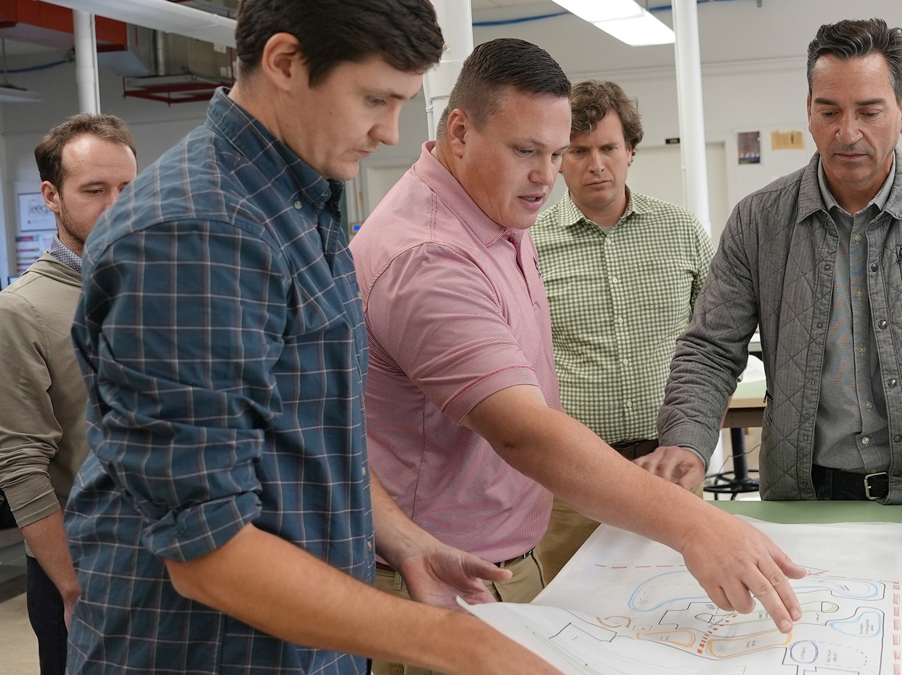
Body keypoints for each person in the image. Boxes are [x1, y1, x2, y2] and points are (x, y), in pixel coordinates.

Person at [62, 2, 559, 673]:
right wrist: (461, 643)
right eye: (375, 100)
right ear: (286, 63)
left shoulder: (300, 199)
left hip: (309, 642)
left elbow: (311, 435)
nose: (390, 132)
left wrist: (406, 541)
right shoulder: (196, 232)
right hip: (205, 650)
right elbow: (207, 552)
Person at [351, 38, 804, 675]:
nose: (547, 174)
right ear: (459, 131)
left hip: (506, 550)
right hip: (443, 580)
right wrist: (697, 527)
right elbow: (523, 434)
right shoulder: (430, 256)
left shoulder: (499, 215)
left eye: (554, 152)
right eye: (526, 151)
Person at [650, 18, 902, 549]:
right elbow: (710, 350)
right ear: (808, 111)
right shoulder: (758, 221)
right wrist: (687, 442)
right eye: (829, 111)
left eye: (869, 111)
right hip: (805, 501)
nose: (847, 131)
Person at [530, 80, 714, 579]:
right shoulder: (527, 247)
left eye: (609, 148)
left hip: (669, 465)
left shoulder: (681, 231)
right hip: (574, 478)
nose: (596, 164)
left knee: (676, 604)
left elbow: (717, 343)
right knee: (573, 615)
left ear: (630, 150)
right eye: (578, 150)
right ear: (558, 159)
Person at [0, 114, 137, 675]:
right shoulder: (18, 314)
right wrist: (74, 589)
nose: (116, 205)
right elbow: (21, 466)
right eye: (94, 190)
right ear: (51, 195)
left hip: (172, 564)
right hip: (88, 574)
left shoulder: (151, 288)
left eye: (127, 188)